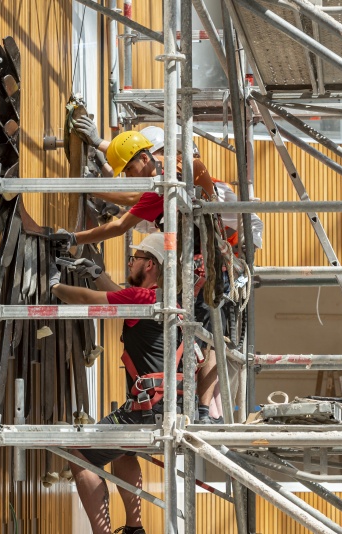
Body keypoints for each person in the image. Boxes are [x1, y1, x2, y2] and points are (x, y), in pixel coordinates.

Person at [64, 125, 225, 424]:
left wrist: (74, 237)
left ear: (145, 158)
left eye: (128, 170)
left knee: (204, 339)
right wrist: (99, 146)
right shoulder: (169, 172)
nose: (127, 175)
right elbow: (136, 185)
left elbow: (120, 224)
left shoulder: (176, 174)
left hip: (203, 270)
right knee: (195, 336)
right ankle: (195, 407)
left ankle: (201, 411)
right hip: (196, 265)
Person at [50, 233, 171, 534]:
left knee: (78, 452)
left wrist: (53, 286)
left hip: (147, 411)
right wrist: (97, 274)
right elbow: (121, 296)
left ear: (150, 265)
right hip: (169, 406)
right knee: (123, 449)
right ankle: (134, 529)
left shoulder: (142, 298)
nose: (130, 263)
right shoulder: (166, 301)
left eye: (135, 259)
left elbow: (86, 300)